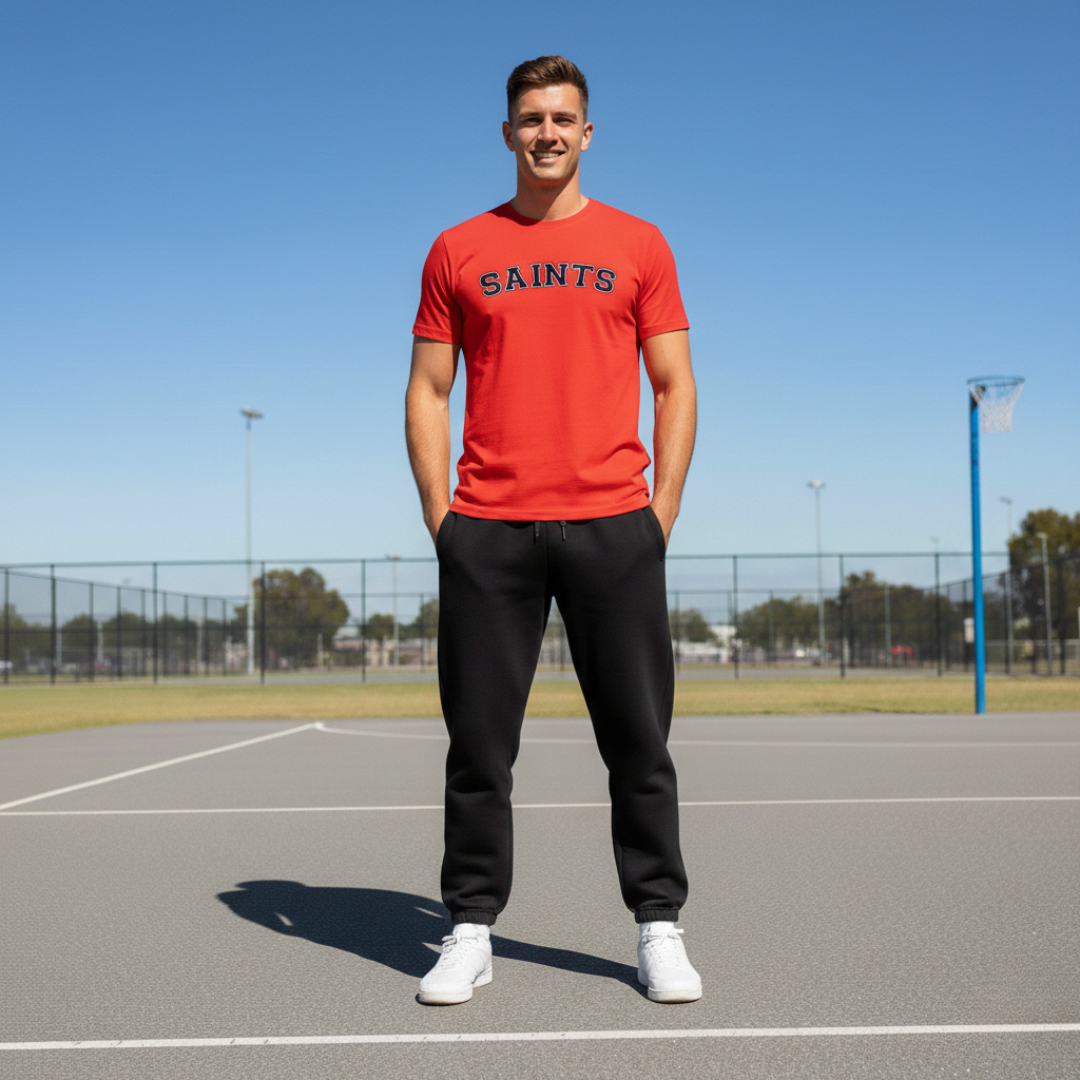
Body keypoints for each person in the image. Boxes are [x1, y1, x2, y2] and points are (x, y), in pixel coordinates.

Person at [405, 55, 700, 1006]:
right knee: (479, 749)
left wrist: (661, 515)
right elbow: (427, 388)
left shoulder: (640, 244)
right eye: (530, 118)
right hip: (489, 528)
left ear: (586, 132)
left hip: (615, 523)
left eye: (563, 117)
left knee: (639, 743)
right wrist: (440, 517)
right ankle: (469, 929)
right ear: (507, 133)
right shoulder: (458, 248)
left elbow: (674, 384)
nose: (547, 132)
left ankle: (658, 926)